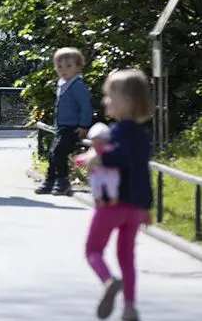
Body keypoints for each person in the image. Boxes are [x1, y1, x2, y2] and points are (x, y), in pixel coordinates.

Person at [81, 69, 153, 321]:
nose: (105, 101)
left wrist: (97, 158)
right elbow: (142, 170)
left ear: (127, 101)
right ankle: (130, 306)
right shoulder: (144, 135)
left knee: (93, 250)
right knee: (126, 256)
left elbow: (120, 157)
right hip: (134, 208)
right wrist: (146, 206)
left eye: (110, 96)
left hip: (111, 205)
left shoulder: (117, 131)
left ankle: (108, 281)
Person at [34, 47, 93, 196]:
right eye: (60, 67)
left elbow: (86, 106)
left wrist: (84, 125)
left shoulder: (77, 85)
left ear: (78, 67)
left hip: (73, 128)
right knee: (52, 154)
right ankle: (50, 181)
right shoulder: (63, 83)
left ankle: (63, 182)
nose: (63, 70)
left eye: (69, 66)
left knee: (58, 153)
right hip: (61, 127)